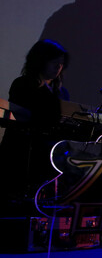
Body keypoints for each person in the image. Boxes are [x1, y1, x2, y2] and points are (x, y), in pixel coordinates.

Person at [0, 39, 70, 215]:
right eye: (55, 64)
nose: (58, 68)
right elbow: (22, 114)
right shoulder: (22, 84)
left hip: (48, 149)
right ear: (40, 62)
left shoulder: (59, 91)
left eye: (61, 65)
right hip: (23, 149)